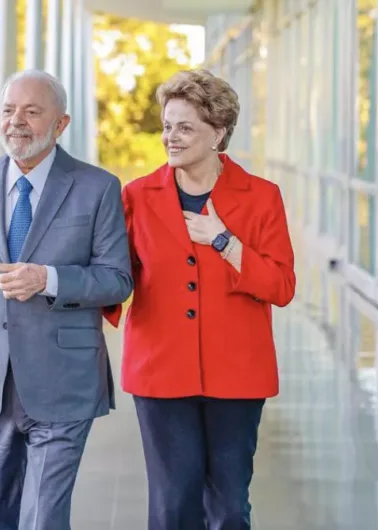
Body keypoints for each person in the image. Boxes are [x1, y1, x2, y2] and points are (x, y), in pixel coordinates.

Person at [0, 69, 133, 530]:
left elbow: (117, 280)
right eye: (7, 110)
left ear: (60, 124)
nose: (15, 121)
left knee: (43, 518)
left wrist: (49, 279)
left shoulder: (97, 187)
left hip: (65, 382)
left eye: (31, 111)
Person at [104, 69, 296, 529]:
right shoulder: (137, 196)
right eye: (168, 125)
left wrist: (227, 243)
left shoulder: (262, 197)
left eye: (185, 127)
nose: (171, 137)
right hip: (160, 374)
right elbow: (115, 277)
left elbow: (282, 286)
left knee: (230, 507)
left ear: (219, 133)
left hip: (238, 376)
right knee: (173, 506)